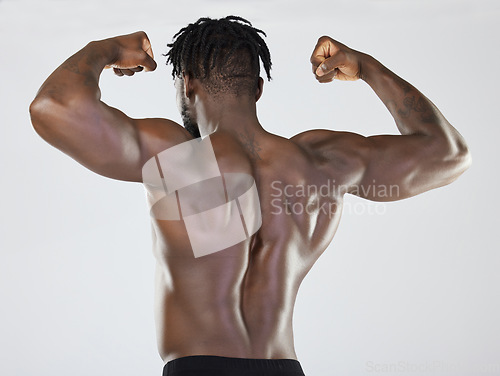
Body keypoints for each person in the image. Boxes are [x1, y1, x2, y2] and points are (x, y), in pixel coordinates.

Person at [29, 15, 471, 376]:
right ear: (257, 89)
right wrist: (367, 66)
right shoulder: (322, 161)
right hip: (283, 368)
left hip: (198, 369)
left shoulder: (176, 155)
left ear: (187, 85)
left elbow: (53, 106)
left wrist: (106, 49)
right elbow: (448, 153)